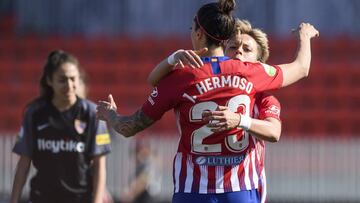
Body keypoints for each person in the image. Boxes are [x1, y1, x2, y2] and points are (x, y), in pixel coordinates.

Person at [97, 0, 319, 202]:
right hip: (239, 190)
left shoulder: (180, 77)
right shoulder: (252, 72)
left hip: (192, 190)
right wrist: (304, 36)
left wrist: (111, 115)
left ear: (199, 33)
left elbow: (129, 127)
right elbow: (301, 68)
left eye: (191, 28)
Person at [147, 18, 297, 203]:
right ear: (223, 50)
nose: (239, 51)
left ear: (259, 63)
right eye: (233, 47)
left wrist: (240, 120)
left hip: (239, 186)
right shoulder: (194, 81)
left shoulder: (264, 98)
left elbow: (274, 131)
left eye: (247, 49)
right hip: (196, 187)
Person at [10, 50, 112, 203]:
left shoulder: (91, 114)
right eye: (62, 80)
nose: (69, 85)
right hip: (41, 198)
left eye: (73, 79)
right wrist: (14, 200)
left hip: (80, 199)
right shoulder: (35, 113)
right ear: (50, 80)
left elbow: (99, 164)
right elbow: (24, 163)